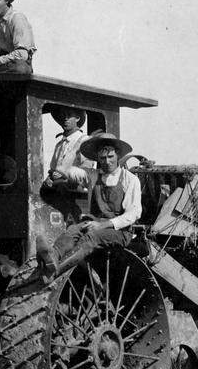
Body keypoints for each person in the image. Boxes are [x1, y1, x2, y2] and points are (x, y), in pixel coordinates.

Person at [35, 133, 141, 280]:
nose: (107, 162)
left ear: (117, 155)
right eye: (103, 158)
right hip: (95, 223)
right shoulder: (93, 175)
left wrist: (103, 225)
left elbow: (133, 214)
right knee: (73, 230)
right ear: (98, 158)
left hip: (121, 232)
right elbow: (72, 171)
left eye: (110, 157)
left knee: (91, 236)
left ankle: (57, 271)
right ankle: (53, 256)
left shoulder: (130, 179)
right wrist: (57, 174)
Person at [39, 105, 93, 222]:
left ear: (78, 118)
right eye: (63, 116)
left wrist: (65, 174)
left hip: (75, 192)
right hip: (57, 189)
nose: (65, 119)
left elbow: (87, 172)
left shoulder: (85, 141)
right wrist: (49, 178)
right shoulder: (59, 144)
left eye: (69, 116)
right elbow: (53, 169)